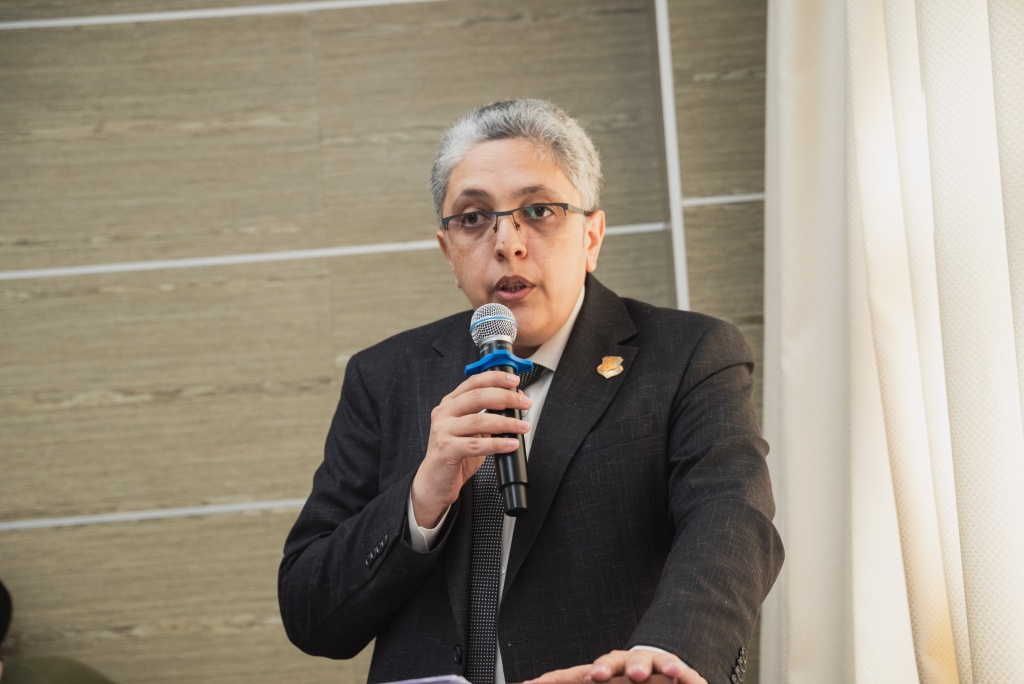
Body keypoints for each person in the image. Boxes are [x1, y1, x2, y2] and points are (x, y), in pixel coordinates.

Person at [278, 99, 783, 684]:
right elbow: (311, 612)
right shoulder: (384, 376)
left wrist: (662, 658)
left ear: (591, 236)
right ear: (448, 251)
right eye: (473, 218)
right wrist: (422, 497)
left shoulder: (688, 355)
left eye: (539, 210)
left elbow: (730, 520)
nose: (507, 243)